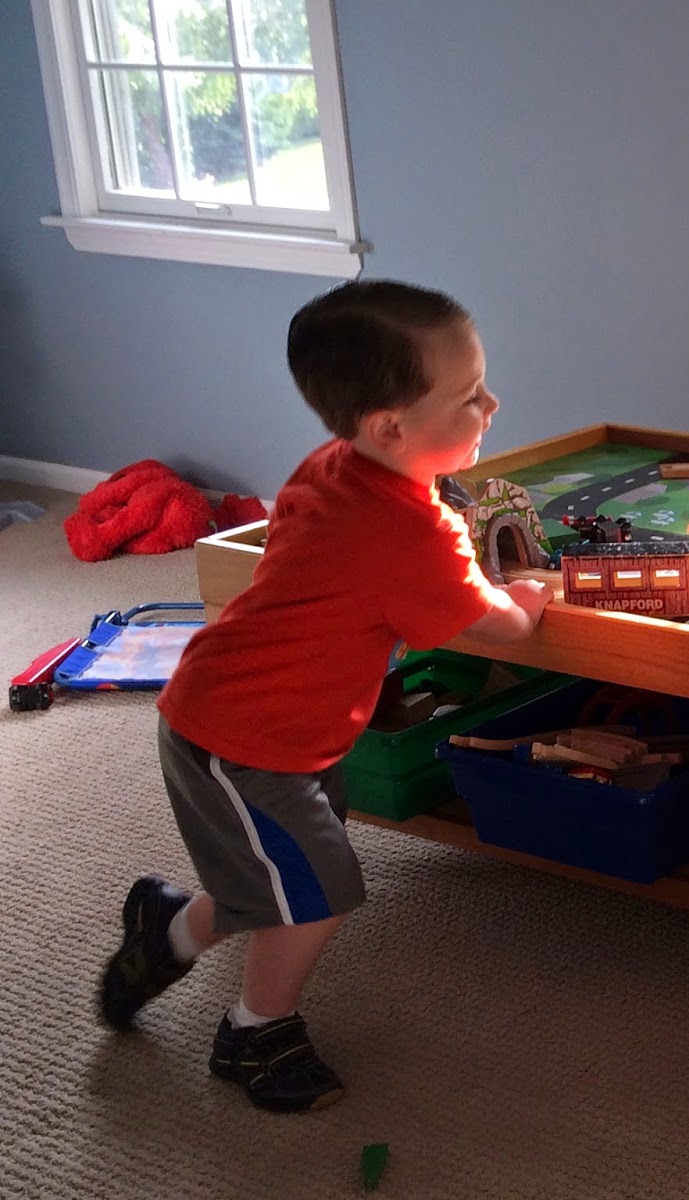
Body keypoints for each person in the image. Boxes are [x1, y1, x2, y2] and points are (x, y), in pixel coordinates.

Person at [98, 280, 552, 1112]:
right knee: (314, 892)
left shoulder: (335, 464)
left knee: (270, 881)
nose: (492, 404)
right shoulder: (406, 532)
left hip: (275, 727)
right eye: (470, 395)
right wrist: (526, 597)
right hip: (240, 739)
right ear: (390, 428)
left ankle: (167, 929)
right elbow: (498, 627)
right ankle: (255, 1033)